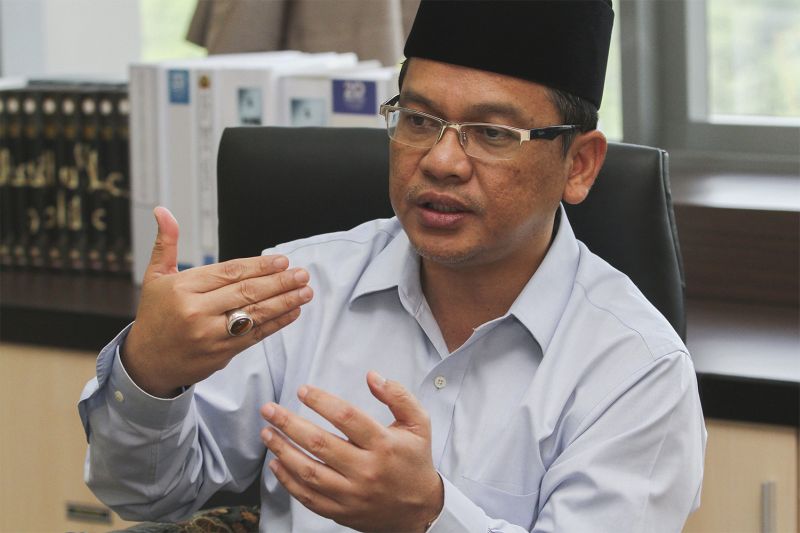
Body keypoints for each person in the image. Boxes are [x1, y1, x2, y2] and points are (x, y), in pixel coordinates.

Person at [79, 1, 706, 531]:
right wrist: (150, 376)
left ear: (580, 166)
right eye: (418, 119)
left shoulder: (636, 369)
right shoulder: (296, 289)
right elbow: (147, 494)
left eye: (491, 133)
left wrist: (430, 517)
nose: (440, 161)